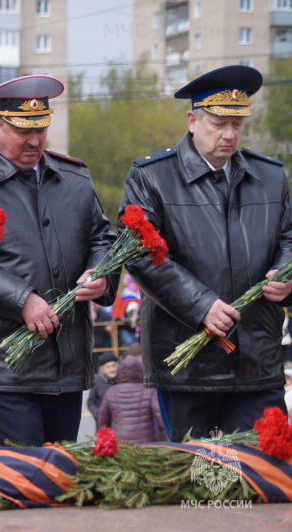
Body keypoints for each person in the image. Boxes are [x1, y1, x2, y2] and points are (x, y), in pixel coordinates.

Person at [0, 76, 118, 447]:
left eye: (41, 129)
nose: (35, 141)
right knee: (25, 471)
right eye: (22, 131)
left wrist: (102, 275)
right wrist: (22, 299)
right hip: (3, 358)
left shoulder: (74, 176)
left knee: (62, 467)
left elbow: (102, 236)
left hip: (67, 351)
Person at [119, 65, 292, 442]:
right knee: (201, 483)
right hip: (188, 364)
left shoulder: (271, 176)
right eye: (218, 123)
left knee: (264, 477)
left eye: (238, 124)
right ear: (192, 120)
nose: (230, 135)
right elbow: (139, 253)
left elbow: (289, 238)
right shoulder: (151, 176)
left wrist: (285, 274)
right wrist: (200, 305)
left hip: (257, 359)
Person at [98, 356, 166, 443]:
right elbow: (161, 419)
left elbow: (103, 421)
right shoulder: (150, 391)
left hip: (120, 444)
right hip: (147, 444)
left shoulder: (111, 392)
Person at [86, 353, 119, 429]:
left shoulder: (122, 378)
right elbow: (90, 402)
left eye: (114, 366)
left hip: (119, 421)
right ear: (103, 369)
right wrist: (98, 414)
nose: (112, 369)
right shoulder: (97, 380)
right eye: (108, 367)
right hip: (103, 422)